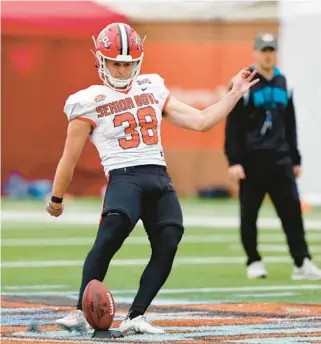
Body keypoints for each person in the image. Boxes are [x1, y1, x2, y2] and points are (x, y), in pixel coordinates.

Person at [46, 22, 258, 335]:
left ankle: (136, 315)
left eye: (127, 64)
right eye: (115, 63)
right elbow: (70, 157)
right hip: (124, 177)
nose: (120, 70)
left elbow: (201, 121)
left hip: (158, 176)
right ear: (101, 61)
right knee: (111, 233)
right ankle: (80, 310)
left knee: (169, 240)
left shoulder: (153, 87)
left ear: (138, 62)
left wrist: (235, 94)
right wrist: (56, 198)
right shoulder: (87, 100)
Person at [224, 32, 321, 280]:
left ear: (275, 53)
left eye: (271, 50)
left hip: (281, 160)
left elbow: (290, 124)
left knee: (292, 213)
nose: (267, 55)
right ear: (255, 52)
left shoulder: (284, 82)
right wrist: (233, 160)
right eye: (263, 50)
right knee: (249, 214)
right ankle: (253, 261)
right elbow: (233, 125)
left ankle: (302, 261)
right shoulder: (245, 82)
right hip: (252, 161)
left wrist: (296, 158)